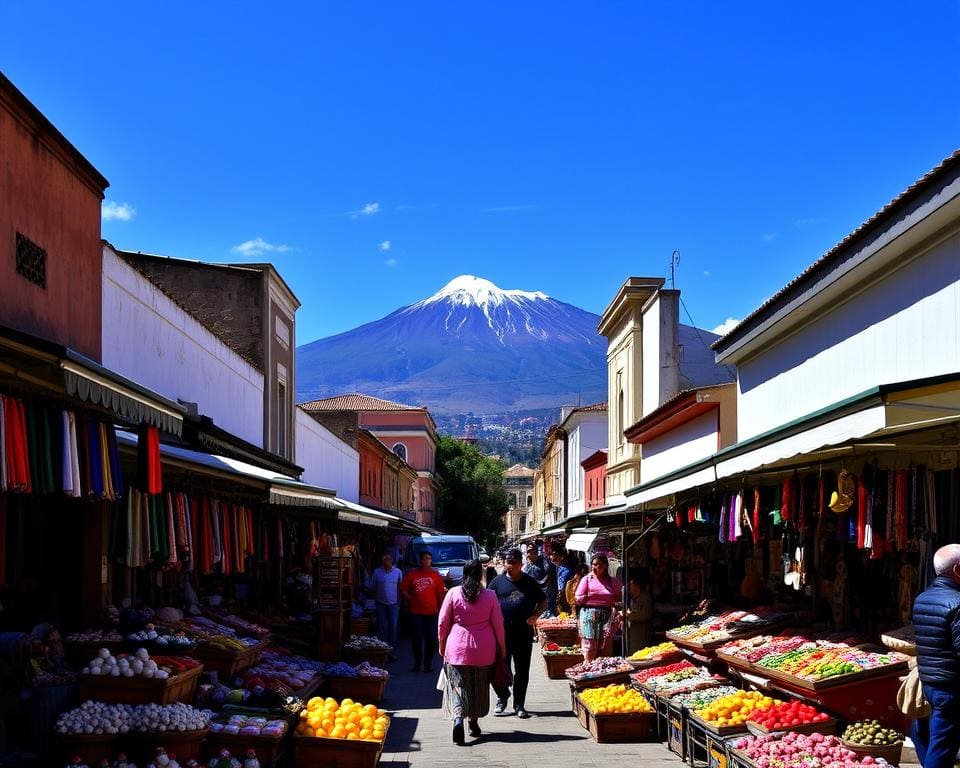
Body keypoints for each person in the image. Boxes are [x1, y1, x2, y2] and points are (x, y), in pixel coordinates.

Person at [437, 559, 506, 745]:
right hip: (484, 650)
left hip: (457, 647)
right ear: (481, 575)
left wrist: (441, 643)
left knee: (458, 687)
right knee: (479, 687)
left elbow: (443, 623)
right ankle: (473, 723)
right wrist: (502, 648)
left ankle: (458, 718)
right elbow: (499, 625)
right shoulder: (490, 595)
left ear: (464, 574)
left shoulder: (452, 593)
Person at [910, 543, 960, 768]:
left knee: (927, 736)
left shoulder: (923, 598)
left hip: (928, 682)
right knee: (942, 748)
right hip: (950, 688)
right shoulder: (957, 603)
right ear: (958, 570)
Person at [489, 548, 546, 719]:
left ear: (521, 564)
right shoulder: (496, 582)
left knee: (522, 671)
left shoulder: (529, 582)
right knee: (499, 668)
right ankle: (502, 697)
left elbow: (543, 602)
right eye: (508, 562)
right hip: (501, 634)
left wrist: (535, 616)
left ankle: (519, 704)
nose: (510, 565)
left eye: (513, 562)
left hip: (523, 633)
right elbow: (487, 604)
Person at [400, 551, 447, 673]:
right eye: (426, 558)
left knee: (431, 639)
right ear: (421, 560)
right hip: (415, 613)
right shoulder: (412, 575)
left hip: (432, 613)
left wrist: (442, 609)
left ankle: (428, 663)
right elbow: (402, 589)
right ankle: (417, 662)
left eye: (430, 559)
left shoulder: (435, 575)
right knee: (416, 639)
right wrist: (409, 597)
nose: (428, 561)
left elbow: (440, 593)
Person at [575, 553, 623, 660]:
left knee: (605, 643)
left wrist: (616, 608)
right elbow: (578, 598)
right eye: (593, 564)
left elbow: (618, 599)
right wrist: (589, 596)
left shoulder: (613, 581)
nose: (595, 567)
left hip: (607, 614)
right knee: (591, 645)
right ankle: (588, 665)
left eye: (598, 564)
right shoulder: (587, 579)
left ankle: (603, 670)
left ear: (605, 565)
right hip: (589, 614)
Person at [367, 553, 402, 659]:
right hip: (380, 603)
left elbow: (400, 587)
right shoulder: (377, 572)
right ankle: (383, 650)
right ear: (382, 562)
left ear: (392, 561)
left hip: (394, 603)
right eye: (385, 560)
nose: (387, 562)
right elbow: (373, 587)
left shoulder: (397, 572)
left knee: (393, 627)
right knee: (383, 627)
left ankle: (391, 651)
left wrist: (401, 601)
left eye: (389, 559)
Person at [625, 572, 653, 653]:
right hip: (633, 632)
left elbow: (645, 614)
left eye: (631, 584)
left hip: (641, 633)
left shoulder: (645, 598)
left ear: (637, 586)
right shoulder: (633, 599)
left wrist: (628, 615)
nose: (629, 587)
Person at [551, 547, 573, 613]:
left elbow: (562, 587)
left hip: (565, 597)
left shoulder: (566, 570)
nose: (553, 557)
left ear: (562, 557)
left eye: (555, 555)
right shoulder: (557, 567)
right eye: (552, 555)